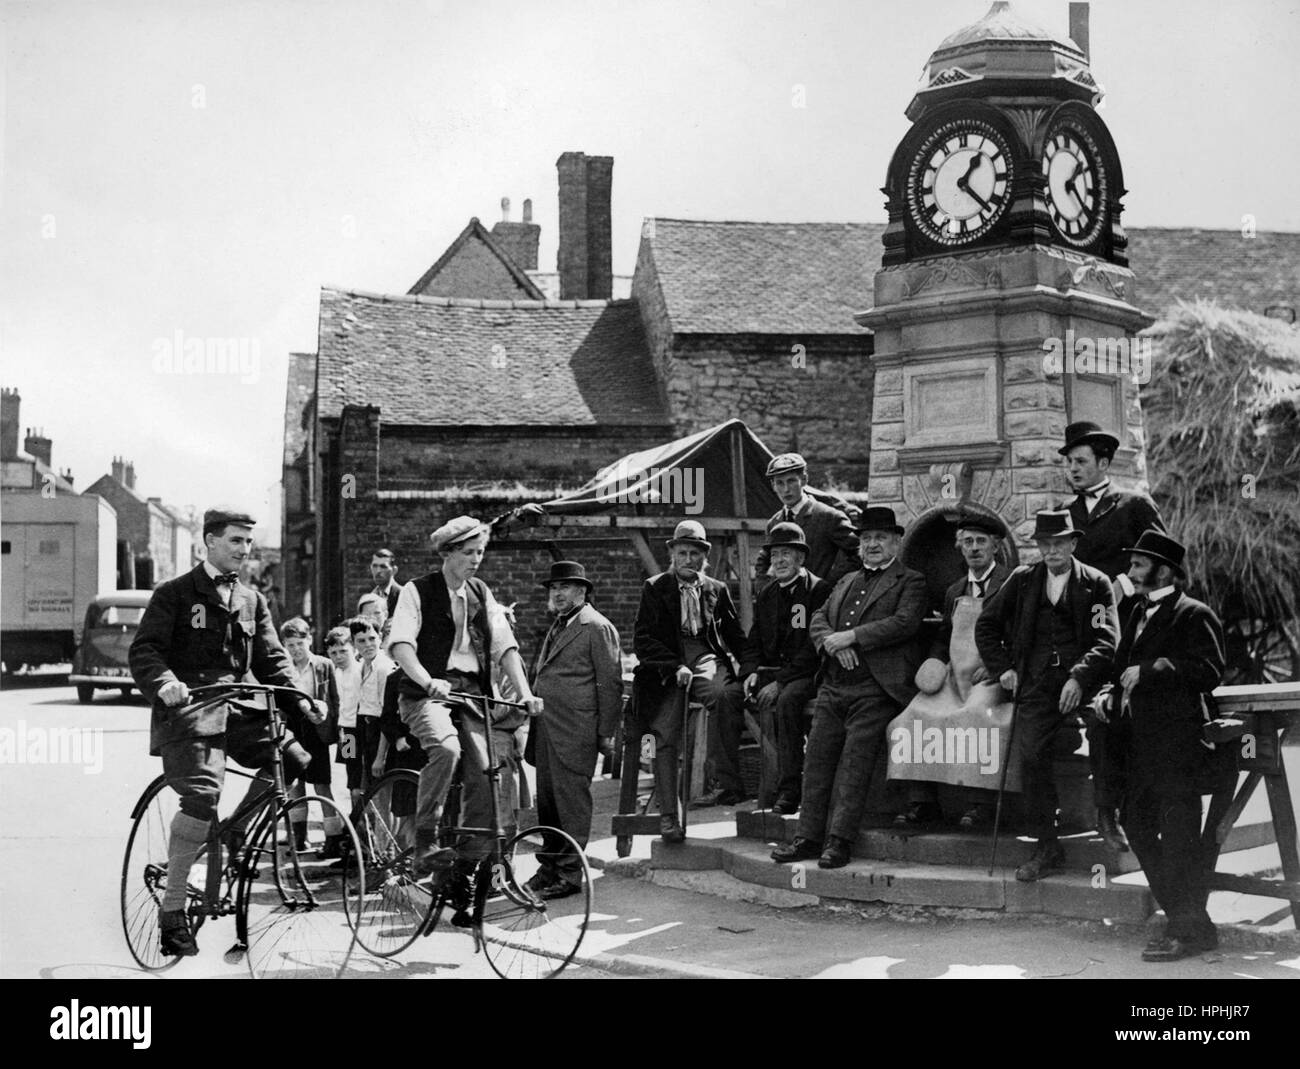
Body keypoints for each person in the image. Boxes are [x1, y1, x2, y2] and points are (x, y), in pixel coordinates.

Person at [129, 507, 324, 957]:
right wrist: (165, 683)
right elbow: (145, 651)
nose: (245, 549)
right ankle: (173, 910)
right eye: (236, 540)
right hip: (191, 710)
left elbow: (273, 661)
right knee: (202, 793)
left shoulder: (253, 601)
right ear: (210, 542)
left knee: (294, 760)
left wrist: (301, 699)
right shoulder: (175, 594)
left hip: (239, 707)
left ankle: (235, 833)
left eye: (248, 541)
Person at [1091, 530, 1226, 961]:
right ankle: (1192, 925)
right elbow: (1120, 668)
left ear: (1164, 570)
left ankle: (1186, 931)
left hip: (1178, 750)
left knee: (1181, 838)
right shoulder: (1134, 611)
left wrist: (1151, 669)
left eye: (1138, 564)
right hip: (1139, 750)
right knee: (1138, 824)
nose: (1130, 571)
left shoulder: (1193, 614)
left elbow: (1209, 670)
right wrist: (1110, 691)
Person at [387, 516, 542, 881]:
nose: (476, 560)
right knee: (446, 749)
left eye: (480, 552)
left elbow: (505, 646)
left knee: (488, 773)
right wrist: (428, 681)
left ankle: (467, 863)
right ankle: (425, 839)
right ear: (448, 552)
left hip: (473, 696)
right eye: (469, 553)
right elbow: (402, 646)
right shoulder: (417, 590)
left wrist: (525, 693)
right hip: (427, 694)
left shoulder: (480, 592)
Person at [771, 506, 927, 869]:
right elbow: (818, 619)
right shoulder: (845, 580)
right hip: (834, 685)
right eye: (867, 538)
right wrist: (832, 644)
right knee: (818, 759)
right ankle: (807, 837)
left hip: (877, 688)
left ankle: (839, 841)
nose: (872, 545)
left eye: (881, 538)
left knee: (854, 763)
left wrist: (852, 638)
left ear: (896, 542)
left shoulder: (910, 581)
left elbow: (904, 623)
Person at [975, 509, 1119, 882]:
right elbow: (987, 624)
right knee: (1032, 755)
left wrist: (1079, 677)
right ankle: (1046, 843)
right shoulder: (1024, 581)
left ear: (1073, 544)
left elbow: (1107, 639)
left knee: (1106, 730)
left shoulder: (1097, 583)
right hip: (1036, 683)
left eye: (1059, 543)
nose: (1052, 551)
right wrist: (1004, 668)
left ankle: (1107, 815)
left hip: (1084, 683)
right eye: (1045, 544)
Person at [1059, 420, 1167, 853]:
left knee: (1131, 719)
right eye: (1068, 463)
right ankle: (1104, 813)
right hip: (1088, 635)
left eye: (1081, 461)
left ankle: (1135, 812)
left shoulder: (1133, 505)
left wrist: (1126, 584)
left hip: (1133, 631)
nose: (1073, 469)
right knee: (1099, 720)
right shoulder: (1065, 515)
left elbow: (1165, 561)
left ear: (1104, 462)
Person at [893, 515, 1012, 830]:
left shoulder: (1013, 583)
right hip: (955, 672)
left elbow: (1023, 635)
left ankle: (981, 804)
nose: (974, 549)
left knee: (976, 715)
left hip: (993, 675)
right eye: (968, 542)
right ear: (960, 548)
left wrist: (996, 665)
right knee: (914, 713)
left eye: (981, 542)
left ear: (996, 546)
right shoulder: (955, 590)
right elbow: (944, 637)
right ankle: (923, 801)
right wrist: (934, 663)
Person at [632, 520, 746, 842]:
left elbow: (734, 636)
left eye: (695, 553)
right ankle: (669, 815)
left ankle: (723, 782)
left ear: (704, 557)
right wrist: (672, 665)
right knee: (665, 734)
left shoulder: (717, 589)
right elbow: (643, 640)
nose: (688, 559)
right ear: (672, 554)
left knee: (725, 693)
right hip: (667, 667)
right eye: (682, 552)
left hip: (704, 657)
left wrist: (752, 669)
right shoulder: (655, 588)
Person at [713, 522, 831, 813]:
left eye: (786, 554)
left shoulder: (817, 591)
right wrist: (751, 671)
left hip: (808, 673)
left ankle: (790, 789)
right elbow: (754, 640)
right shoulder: (768, 593)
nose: (779, 561)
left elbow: (811, 647)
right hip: (771, 672)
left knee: (788, 700)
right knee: (727, 696)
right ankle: (731, 785)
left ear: (801, 559)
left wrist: (778, 682)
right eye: (775, 554)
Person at [526, 561, 623, 898]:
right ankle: (549, 866)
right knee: (549, 804)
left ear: (583, 591)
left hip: (576, 730)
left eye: (565, 587)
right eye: (554, 588)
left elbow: (609, 684)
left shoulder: (596, 626)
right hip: (547, 729)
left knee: (571, 804)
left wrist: (605, 733)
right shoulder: (559, 624)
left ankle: (569, 875)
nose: (558, 593)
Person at [279, 617, 344, 853]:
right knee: (294, 784)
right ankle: (298, 836)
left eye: (300, 643)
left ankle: (333, 839)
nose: (296, 650)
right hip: (293, 726)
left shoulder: (323, 664)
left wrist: (331, 725)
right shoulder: (283, 668)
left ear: (309, 640)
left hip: (316, 727)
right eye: (291, 645)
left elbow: (335, 698)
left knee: (321, 784)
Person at [753, 453, 858, 588]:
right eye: (780, 483)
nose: (786, 489)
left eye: (791, 481)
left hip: (818, 602)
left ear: (803, 480)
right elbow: (763, 562)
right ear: (773, 486)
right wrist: (765, 591)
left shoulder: (828, 516)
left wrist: (829, 583)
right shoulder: (774, 523)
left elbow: (858, 552)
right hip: (785, 602)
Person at [370, 548, 403, 619]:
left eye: (383, 567)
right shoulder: (371, 596)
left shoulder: (403, 594)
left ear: (394, 570)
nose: (378, 571)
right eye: (374, 566)